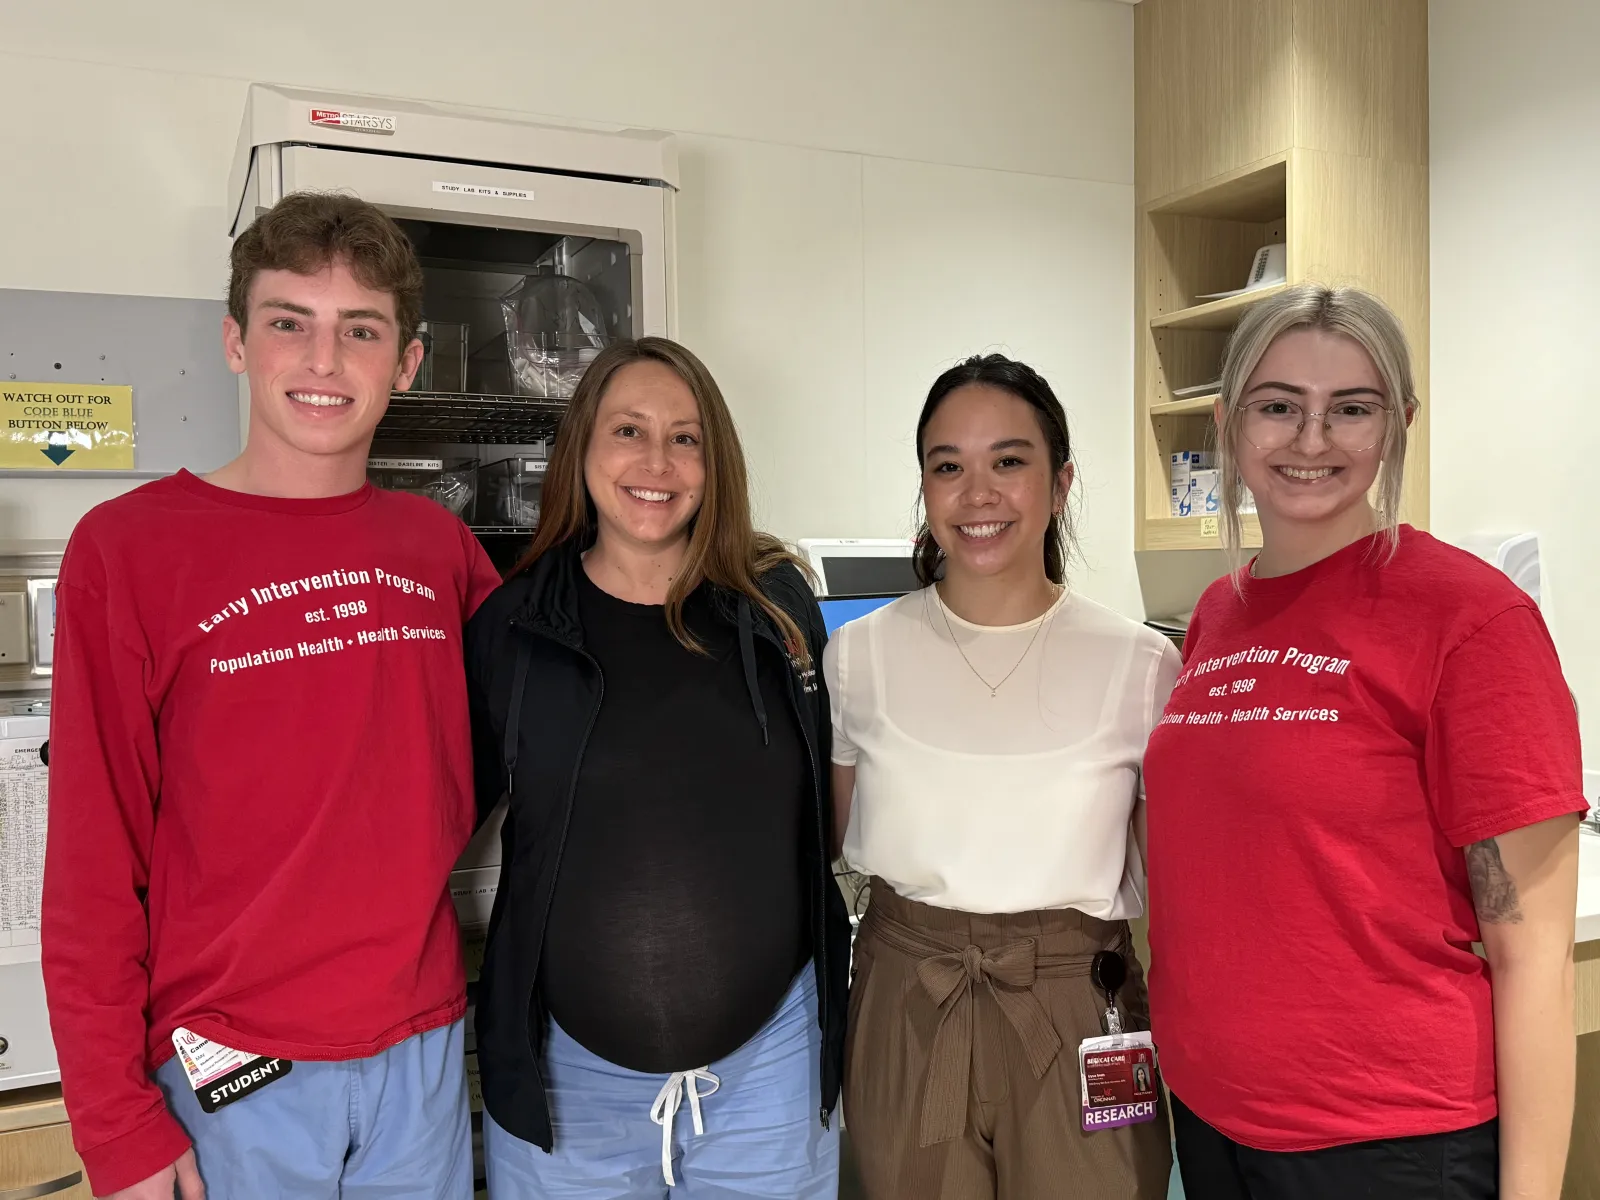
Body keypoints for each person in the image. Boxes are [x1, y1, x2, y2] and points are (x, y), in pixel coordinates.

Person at [42, 192, 501, 1200]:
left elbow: (556, 719)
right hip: (230, 1072)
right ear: (236, 343)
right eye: (289, 321)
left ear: (406, 363)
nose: (323, 361)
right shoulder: (128, 552)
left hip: (421, 1057)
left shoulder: (441, 551)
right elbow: (89, 860)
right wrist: (112, 1122)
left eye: (361, 331)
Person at [1144, 284, 1586, 1200]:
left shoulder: (1471, 620)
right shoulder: (1217, 616)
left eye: (1351, 408)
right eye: (1278, 407)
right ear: (1230, 424)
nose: (1312, 441)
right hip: (1213, 1122)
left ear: (1398, 425)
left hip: (1386, 1143)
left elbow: (1533, 957)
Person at [464, 336, 848, 1198]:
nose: (657, 462)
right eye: (628, 431)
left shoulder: (777, 609)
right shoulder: (515, 629)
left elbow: (828, 796)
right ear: (583, 450)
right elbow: (440, 816)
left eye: (686, 438)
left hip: (771, 1081)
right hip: (570, 1092)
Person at [829, 354, 1178, 1199]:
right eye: (948, 466)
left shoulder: (1142, 663)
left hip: (1079, 1006)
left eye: (1008, 462)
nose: (976, 493)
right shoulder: (859, 655)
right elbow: (837, 844)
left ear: (1060, 484)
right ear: (924, 488)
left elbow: (1169, 877)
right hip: (909, 998)